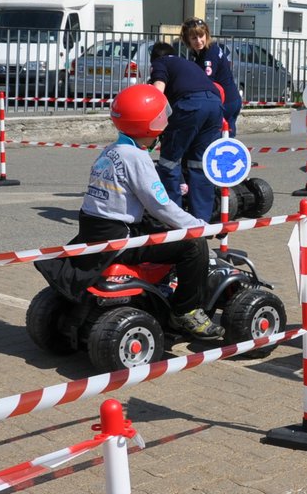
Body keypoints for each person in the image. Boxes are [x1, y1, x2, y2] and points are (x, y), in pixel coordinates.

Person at [68, 84, 222, 340]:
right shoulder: (136, 158)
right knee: (193, 246)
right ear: (151, 124)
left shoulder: (111, 151)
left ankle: (164, 285)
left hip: (94, 232)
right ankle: (185, 310)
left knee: (162, 228)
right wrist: (199, 226)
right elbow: (160, 205)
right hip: (120, 239)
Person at [150, 39, 224, 223]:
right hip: (215, 107)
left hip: (191, 106)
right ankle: (201, 222)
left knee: (169, 162)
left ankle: (174, 220)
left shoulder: (161, 62)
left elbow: (157, 92)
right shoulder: (188, 65)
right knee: (199, 164)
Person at [182, 17, 243, 135]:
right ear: (187, 40)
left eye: (201, 36)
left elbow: (206, 82)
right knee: (225, 137)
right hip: (229, 99)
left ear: (206, 35)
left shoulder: (209, 54)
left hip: (226, 101)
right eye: (194, 38)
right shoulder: (203, 52)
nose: (198, 41)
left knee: (218, 138)